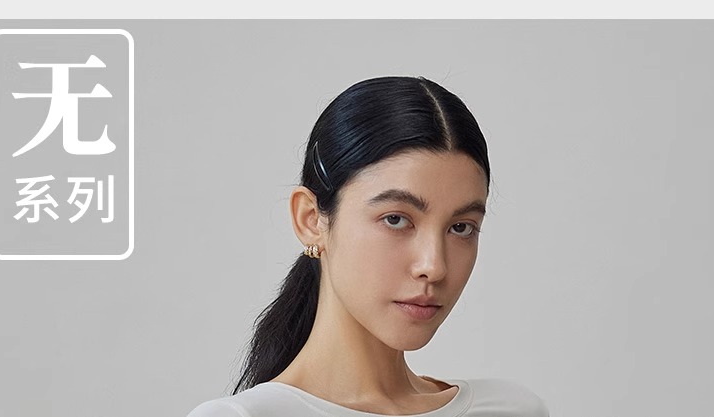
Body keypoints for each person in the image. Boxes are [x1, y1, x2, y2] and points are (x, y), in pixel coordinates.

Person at [186, 76, 550, 416]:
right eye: (396, 220)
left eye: (460, 228)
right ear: (310, 220)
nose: (434, 266)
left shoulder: (512, 409)